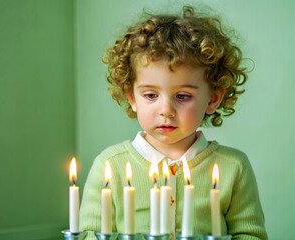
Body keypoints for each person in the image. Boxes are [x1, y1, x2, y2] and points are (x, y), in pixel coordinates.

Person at [79, 6, 267, 240]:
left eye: (182, 96)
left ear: (213, 99)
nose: (166, 110)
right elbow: (87, 234)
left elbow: (250, 235)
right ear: (131, 97)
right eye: (150, 95)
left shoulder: (233, 166)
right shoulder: (110, 165)